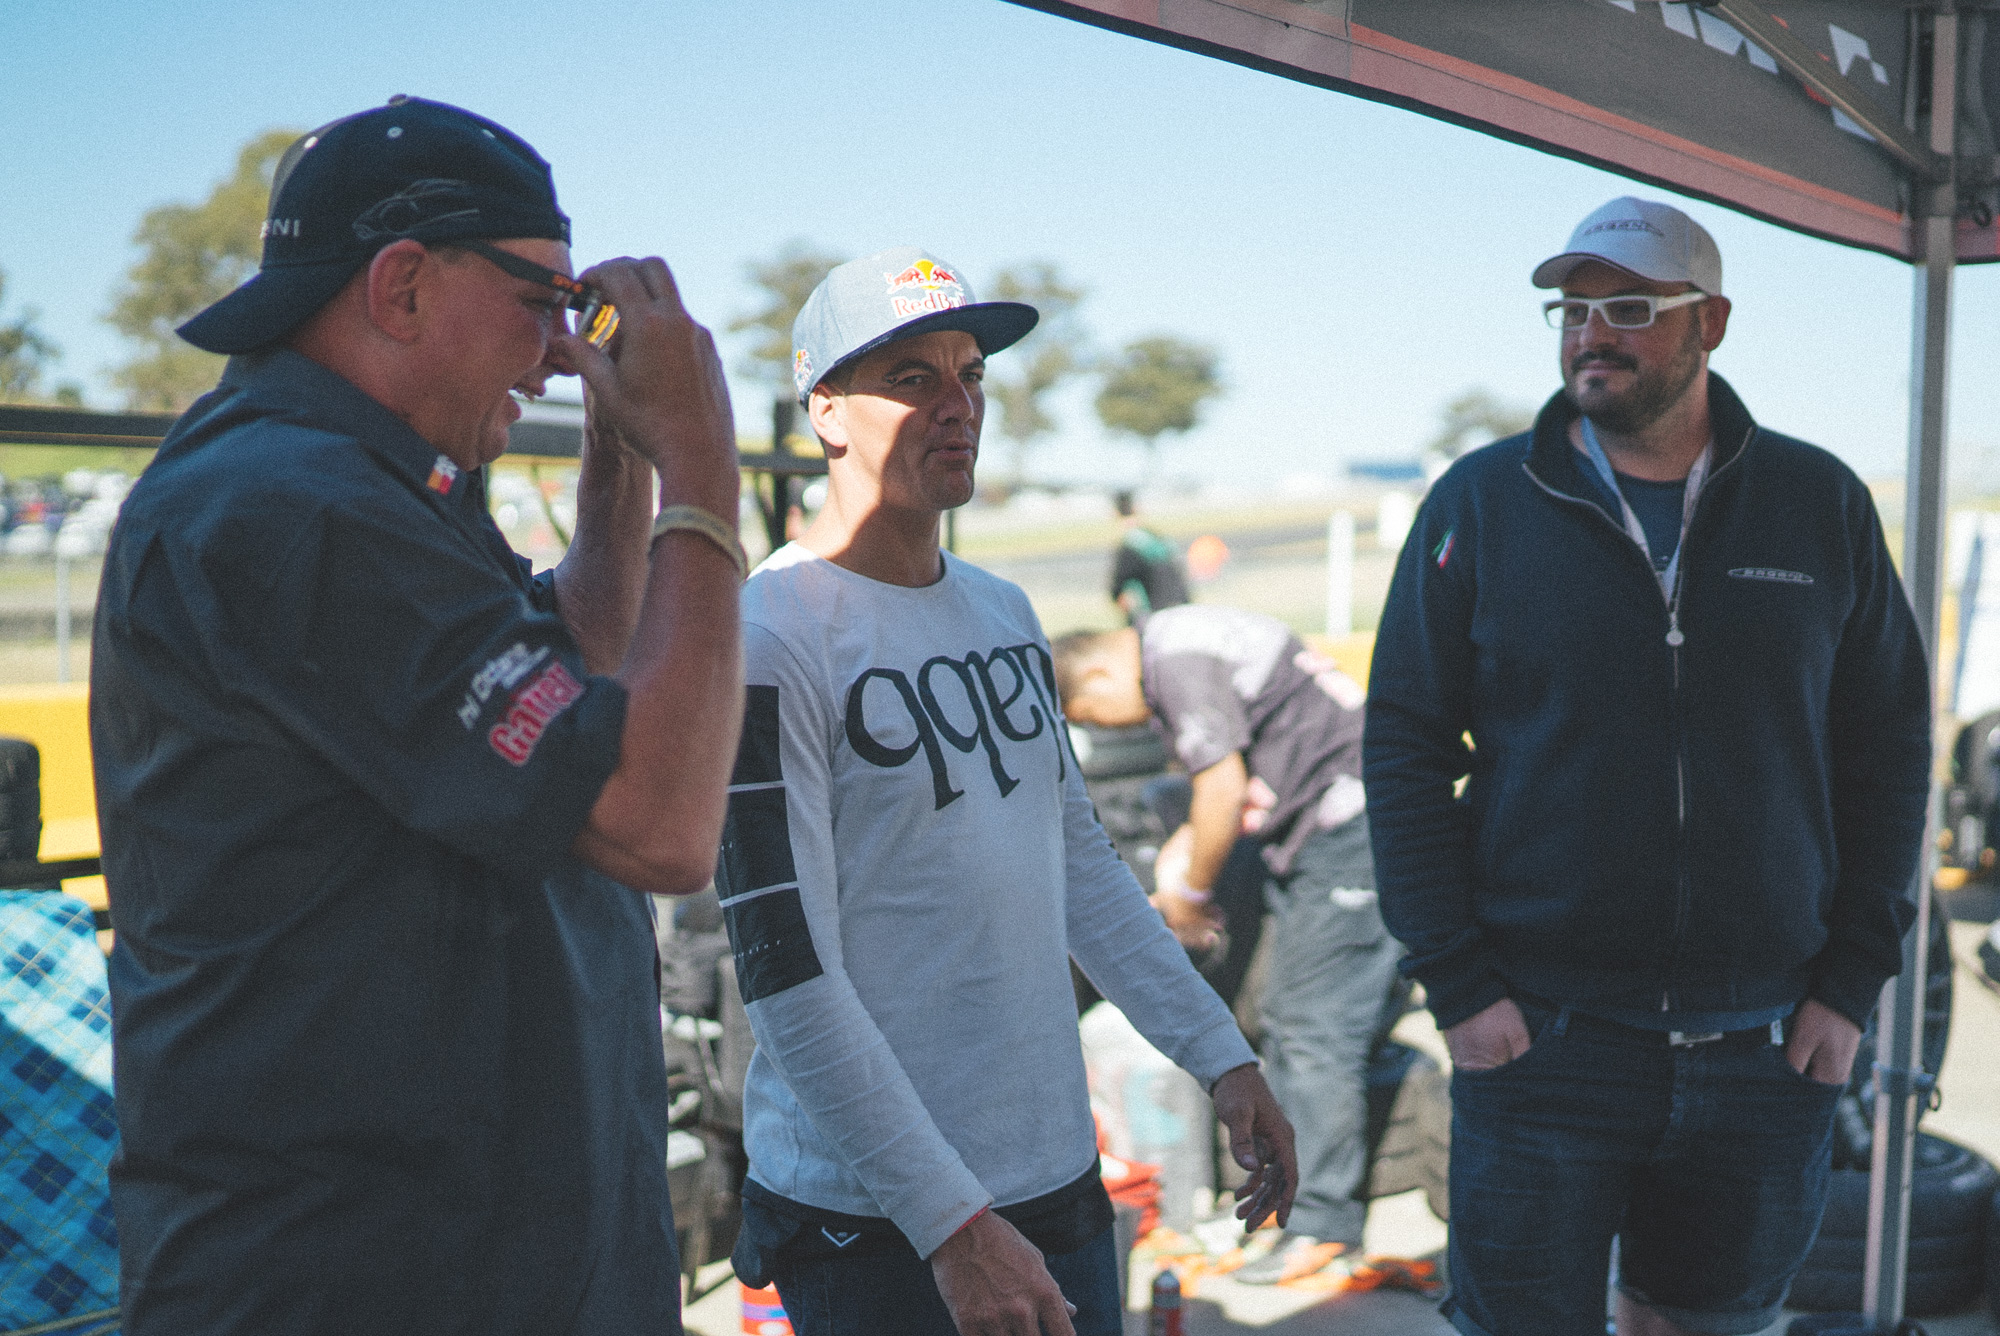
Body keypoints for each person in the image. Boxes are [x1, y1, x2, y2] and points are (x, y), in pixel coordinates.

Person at [89, 97, 745, 1335]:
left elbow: (587, 675)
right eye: (543, 302)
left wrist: (622, 449)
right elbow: (660, 821)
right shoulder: (295, 507)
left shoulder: (359, 480)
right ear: (400, 287)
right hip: (367, 1276)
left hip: (472, 1254)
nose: (557, 354)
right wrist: (704, 465)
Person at [1363, 196, 1932, 1336]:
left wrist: (1849, 985)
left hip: (1767, 1041)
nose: (1591, 334)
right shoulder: (1481, 501)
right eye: (1571, 311)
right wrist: (1458, 985)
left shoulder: (1817, 502)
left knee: (1705, 1325)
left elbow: (1889, 749)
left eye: (1628, 308)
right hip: (1540, 1040)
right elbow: (1403, 745)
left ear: (1708, 322)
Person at [717, 246, 1296, 1336]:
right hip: (882, 1221)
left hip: (1052, 1180)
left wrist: (1218, 1052)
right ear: (826, 408)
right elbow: (785, 973)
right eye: (912, 377)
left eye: (971, 373)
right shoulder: (769, 634)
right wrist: (952, 1225)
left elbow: (1079, 866)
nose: (958, 404)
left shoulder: (1004, 612)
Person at [1055, 607, 1401, 1285]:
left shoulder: (1174, 663)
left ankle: (1322, 1225)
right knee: (1284, 1016)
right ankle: (1289, 1201)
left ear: (1097, 674)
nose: (1108, 729)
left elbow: (1221, 786)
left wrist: (1187, 896)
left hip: (1350, 825)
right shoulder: (1179, 639)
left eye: (1090, 714)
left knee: (1312, 1027)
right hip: (1318, 824)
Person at [1108, 489, 1189, 623]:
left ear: (1115, 513)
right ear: (1135, 509)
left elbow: (1117, 589)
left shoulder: (1130, 545)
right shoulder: (1159, 538)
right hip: (1181, 608)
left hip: (1154, 616)